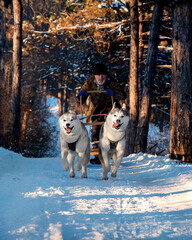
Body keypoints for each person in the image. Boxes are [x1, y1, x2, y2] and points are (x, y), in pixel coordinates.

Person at [78, 62, 126, 164]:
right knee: (95, 130)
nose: (101, 77)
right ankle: (97, 156)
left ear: (106, 75)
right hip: (95, 110)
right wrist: (81, 95)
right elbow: (82, 96)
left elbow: (122, 94)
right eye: (98, 75)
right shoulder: (90, 82)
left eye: (103, 75)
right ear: (94, 75)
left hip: (110, 111)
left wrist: (114, 94)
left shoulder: (112, 82)